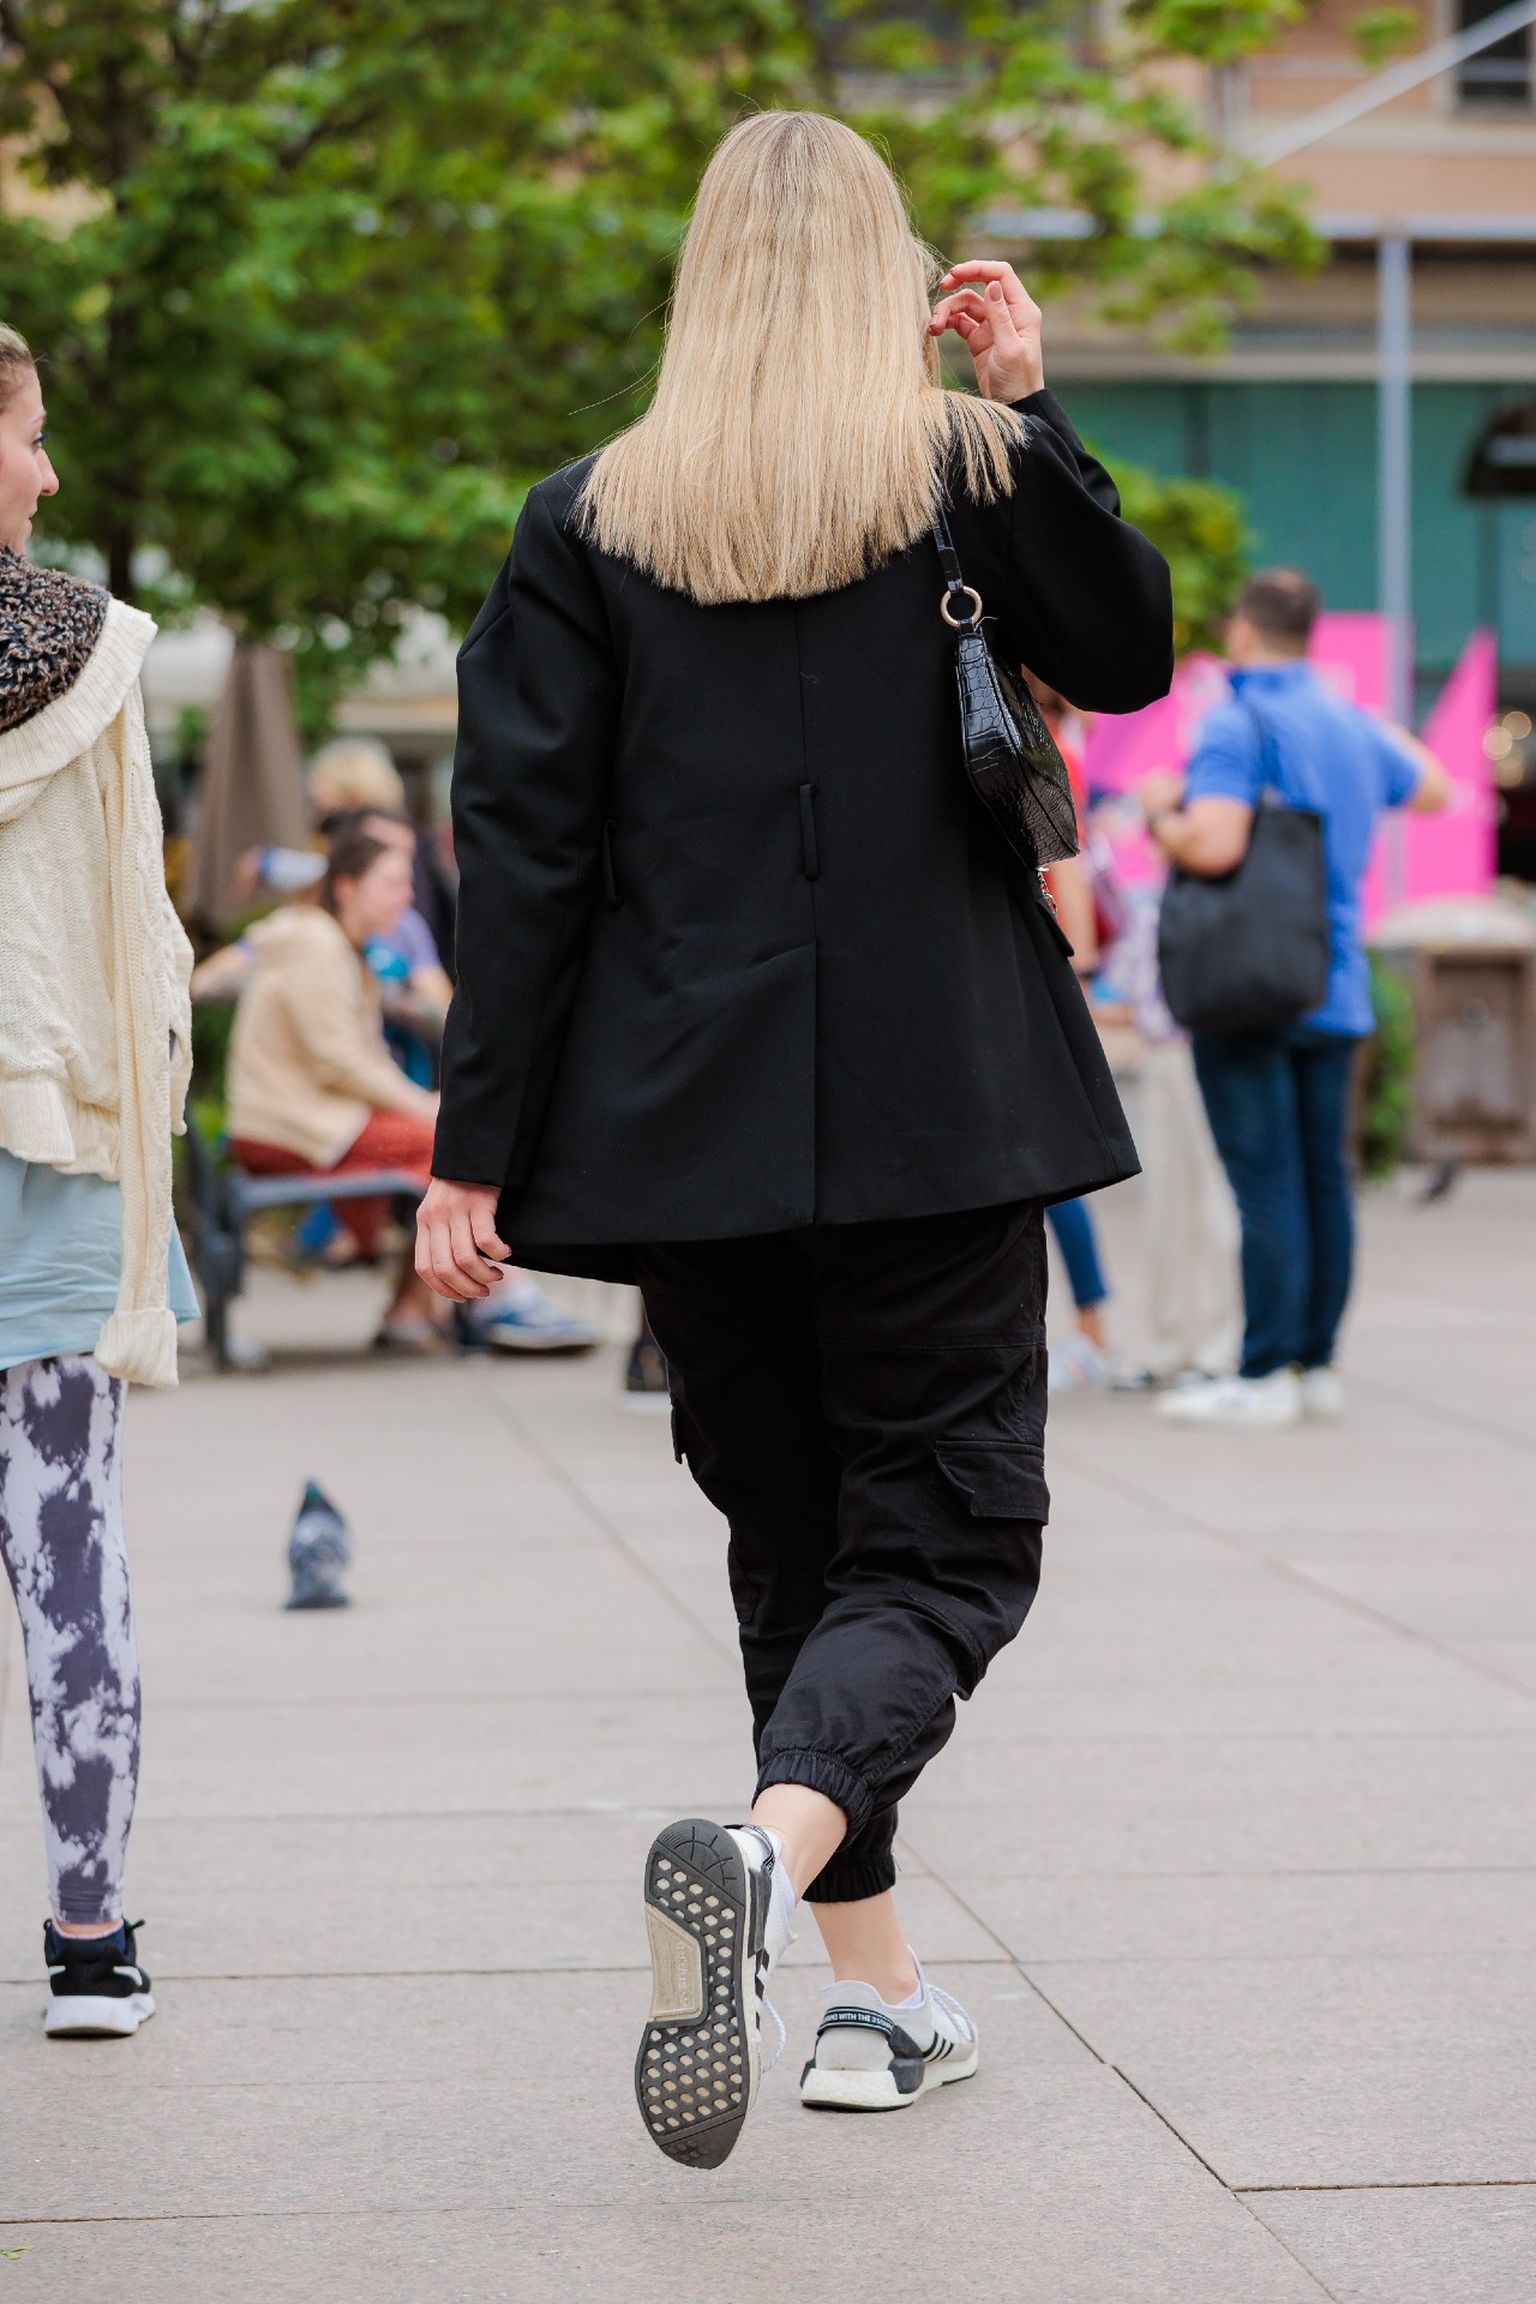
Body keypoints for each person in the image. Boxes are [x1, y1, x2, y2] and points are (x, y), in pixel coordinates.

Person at [415, 112, 1172, 2166]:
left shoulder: (587, 519)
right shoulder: (963, 471)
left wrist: (473, 1148)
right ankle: (764, 1862)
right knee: (943, 1545)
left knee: (798, 1549)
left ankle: (874, 2000)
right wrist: (1029, 401)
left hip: (692, 1126)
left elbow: (523, 855)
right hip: (940, 1101)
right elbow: (1124, 656)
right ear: (882, 273)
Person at [0, 321, 196, 2035]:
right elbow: (139, 923)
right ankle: (89, 1938)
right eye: (32, 433)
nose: (50, 470)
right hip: (52, 1144)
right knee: (67, 1536)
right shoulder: (97, 657)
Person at [1143, 568, 1448, 1429]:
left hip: (1253, 987)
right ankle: (1317, 1365)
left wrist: (1161, 813)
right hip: (1337, 986)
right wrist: (1350, 724)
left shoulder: (1234, 721)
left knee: (1265, 1184)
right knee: (1324, 1183)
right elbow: (1432, 786)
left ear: (1243, 632)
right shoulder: (1349, 723)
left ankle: (1264, 1371)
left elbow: (1213, 844)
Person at [225, 827, 449, 1351]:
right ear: (346, 888)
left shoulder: (335, 945)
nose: (407, 898)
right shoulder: (318, 947)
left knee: (448, 1145)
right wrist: (424, 1106)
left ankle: (420, 1300)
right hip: (289, 1127)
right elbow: (340, 1062)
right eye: (391, 884)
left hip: (302, 1120)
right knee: (452, 1146)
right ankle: (432, 1302)